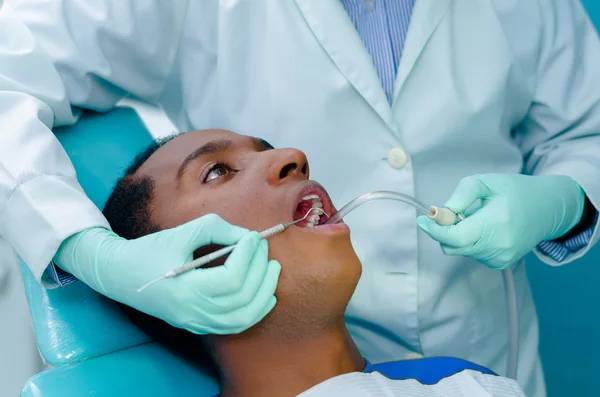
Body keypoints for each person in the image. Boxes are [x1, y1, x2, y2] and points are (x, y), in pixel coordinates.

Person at [1, 1, 599, 396]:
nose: (293, 155)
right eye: (214, 173)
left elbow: (587, 131)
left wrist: (567, 197)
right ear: (174, 267)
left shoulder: (476, 388)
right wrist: (91, 251)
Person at [103, 128, 526, 397]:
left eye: (265, 148)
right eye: (216, 172)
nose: (291, 154)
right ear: (172, 276)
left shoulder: (463, 382)